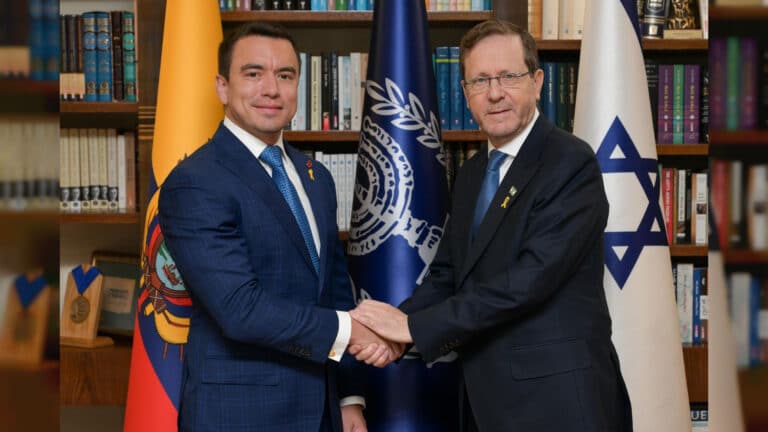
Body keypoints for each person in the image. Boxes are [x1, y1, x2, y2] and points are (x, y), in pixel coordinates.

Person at [350, 20, 633, 432]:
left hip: (558, 404)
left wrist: (410, 327)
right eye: (480, 80)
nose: (495, 93)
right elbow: (449, 274)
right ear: (465, 93)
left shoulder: (570, 163)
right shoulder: (471, 174)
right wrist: (393, 329)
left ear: (537, 82)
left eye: (508, 76)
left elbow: (527, 281)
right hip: (485, 400)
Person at [158, 22, 401, 432]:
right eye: (253, 73)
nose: (271, 89)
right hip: (241, 416)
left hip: (324, 412)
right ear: (222, 87)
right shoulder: (196, 182)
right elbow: (240, 309)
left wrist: (348, 397)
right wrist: (355, 331)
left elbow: (334, 292)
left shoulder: (316, 178)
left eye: (285, 75)